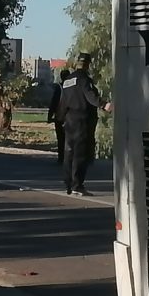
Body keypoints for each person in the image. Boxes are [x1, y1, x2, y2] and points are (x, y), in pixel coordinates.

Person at [59, 53, 104, 196]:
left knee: (69, 153)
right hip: (82, 120)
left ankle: (68, 183)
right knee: (80, 154)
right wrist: (104, 104)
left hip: (69, 121)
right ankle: (77, 185)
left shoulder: (67, 81)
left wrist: (60, 118)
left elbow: (63, 102)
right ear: (88, 64)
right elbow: (90, 96)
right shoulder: (84, 79)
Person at [47, 68, 70, 164]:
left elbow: (53, 103)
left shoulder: (59, 88)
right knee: (68, 139)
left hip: (60, 117)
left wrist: (49, 116)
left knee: (61, 139)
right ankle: (68, 158)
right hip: (71, 118)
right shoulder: (72, 88)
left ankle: (61, 158)